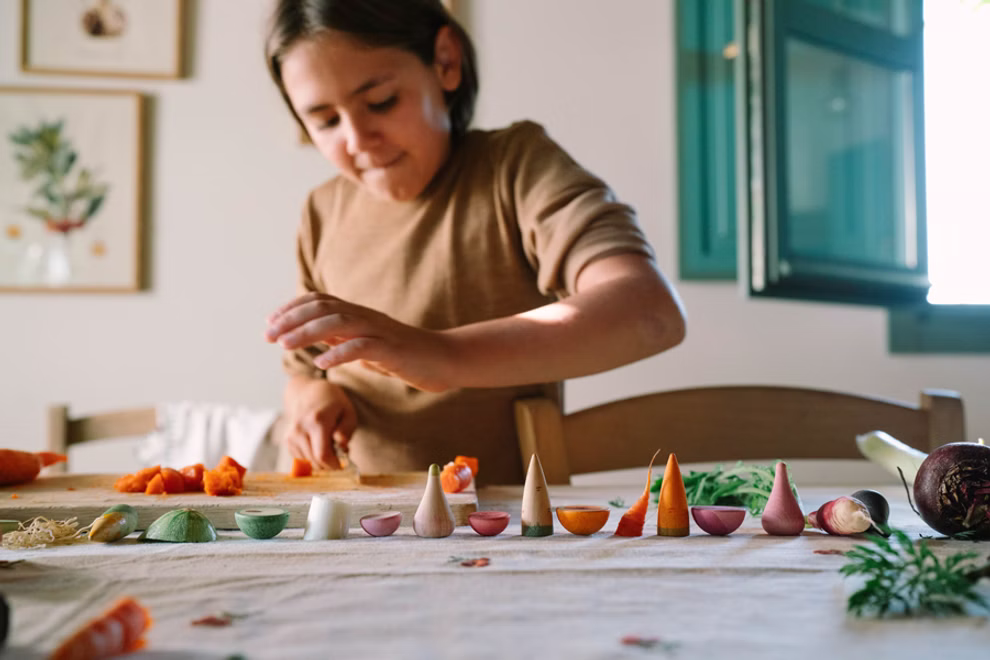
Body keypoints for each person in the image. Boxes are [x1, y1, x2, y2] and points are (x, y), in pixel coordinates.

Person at [263, 0, 687, 484]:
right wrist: (312, 399)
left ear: (445, 61)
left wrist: (440, 356)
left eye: (380, 101)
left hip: (496, 530)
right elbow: (302, 370)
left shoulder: (515, 168)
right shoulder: (321, 210)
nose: (358, 140)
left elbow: (650, 312)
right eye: (326, 121)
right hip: (350, 522)